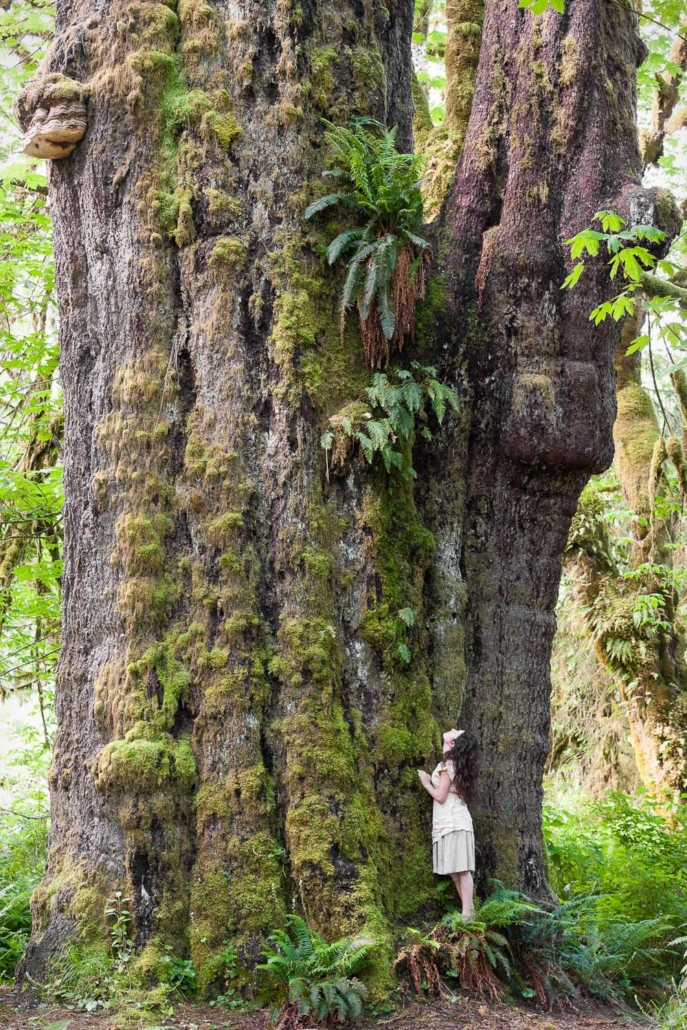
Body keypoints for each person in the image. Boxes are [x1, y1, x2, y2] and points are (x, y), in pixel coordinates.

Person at [418, 728, 479, 920]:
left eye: (456, 732)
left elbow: (440, 796)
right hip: (447, 820)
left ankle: (467, 914)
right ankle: (469, 913)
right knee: (454, 871)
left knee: (461, 868)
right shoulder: (451, 761)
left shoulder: (450, 764)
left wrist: (427, 783)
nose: (452, 729)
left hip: (454, 821)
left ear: (453, 743)